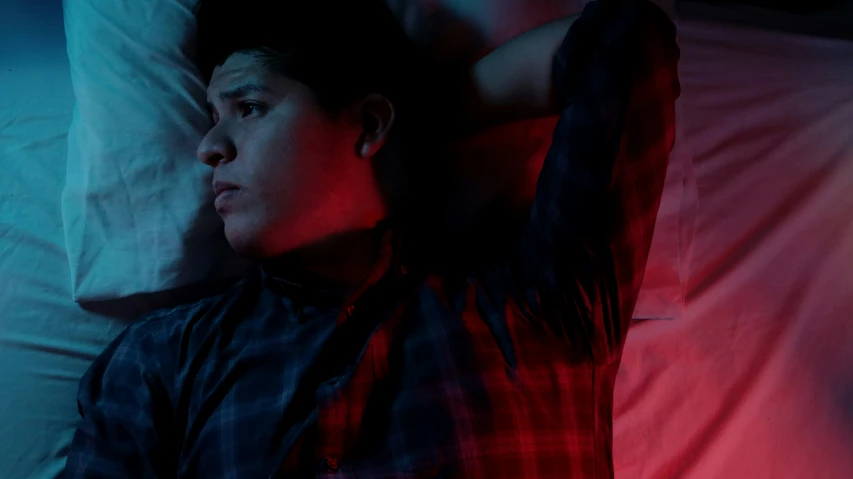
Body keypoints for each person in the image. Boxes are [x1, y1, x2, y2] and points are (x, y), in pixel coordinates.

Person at [63, 0, 680, 477]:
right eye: (210, 119)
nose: (209, 148)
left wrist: (417, 125)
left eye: (248, 108)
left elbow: (622, 44)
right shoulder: (159, 362)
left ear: (368, 123)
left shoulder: (538, 306)